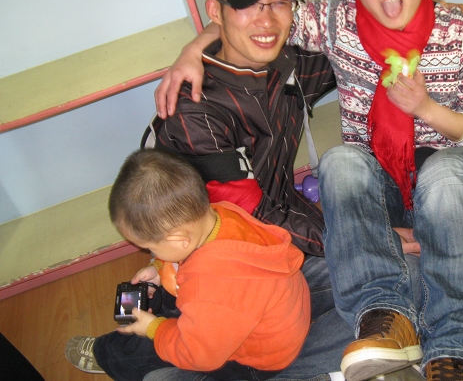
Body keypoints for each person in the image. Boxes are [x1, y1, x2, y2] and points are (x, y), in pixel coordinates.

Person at [153, 0, 463, 380]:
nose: (267, 19)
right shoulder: (193, 109)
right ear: (216, 12)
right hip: (225, 259)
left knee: (414, 256)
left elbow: (375, 45)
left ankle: (416, 341)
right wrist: (373, 238)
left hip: (292, 231)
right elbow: (251, 219)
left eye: (278, 3)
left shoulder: (290, 62)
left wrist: (432, 25)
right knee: (392, 257)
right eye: (248, 5)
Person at [65, 149, 311, 380]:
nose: (151, 253)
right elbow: (192, 261)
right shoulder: (219, 213)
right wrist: (160, 268)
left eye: (151, 248)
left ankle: (108, 355)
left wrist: (155, 329)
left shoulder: (211, 287)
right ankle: (147, 321)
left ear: (180, 240)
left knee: (151, 345)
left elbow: (197, 355)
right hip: (262, 316)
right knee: (163, 299)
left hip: (256, 361)